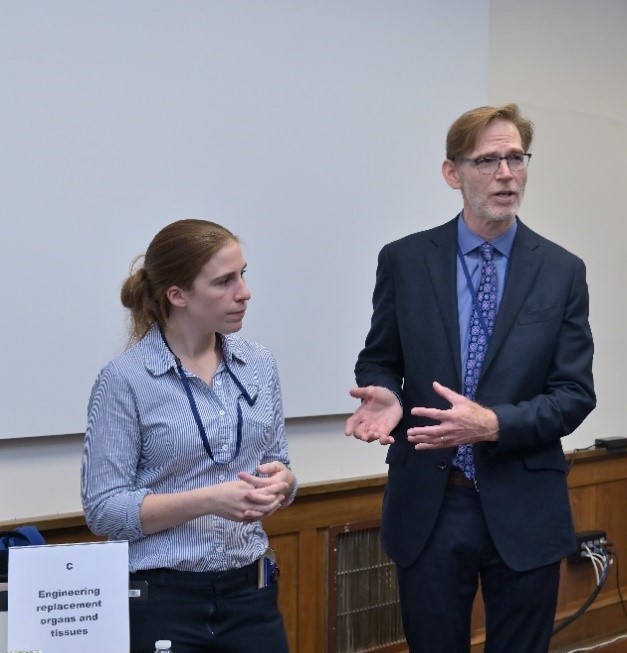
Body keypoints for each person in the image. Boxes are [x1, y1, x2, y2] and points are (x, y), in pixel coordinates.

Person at [345, 104, 595, 653]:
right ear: (452, 173)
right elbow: (379, 357)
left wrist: (493, 423)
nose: (506, 174)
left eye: (515, 158)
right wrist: (385, 392)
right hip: (433, 502)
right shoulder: (405, 260)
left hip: (525, 502)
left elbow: (575, 394)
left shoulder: (560, 270)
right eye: (487, 160)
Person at [81, 218, 297, 653]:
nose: (244, 292)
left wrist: (284, 484)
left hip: (251, 593)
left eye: (243, 274)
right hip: (163, 600)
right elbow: (104, 510)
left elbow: (281, 465)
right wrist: (210, 499)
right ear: (177, 296)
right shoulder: (125, 379)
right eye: (224, 281)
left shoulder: (259, 364)